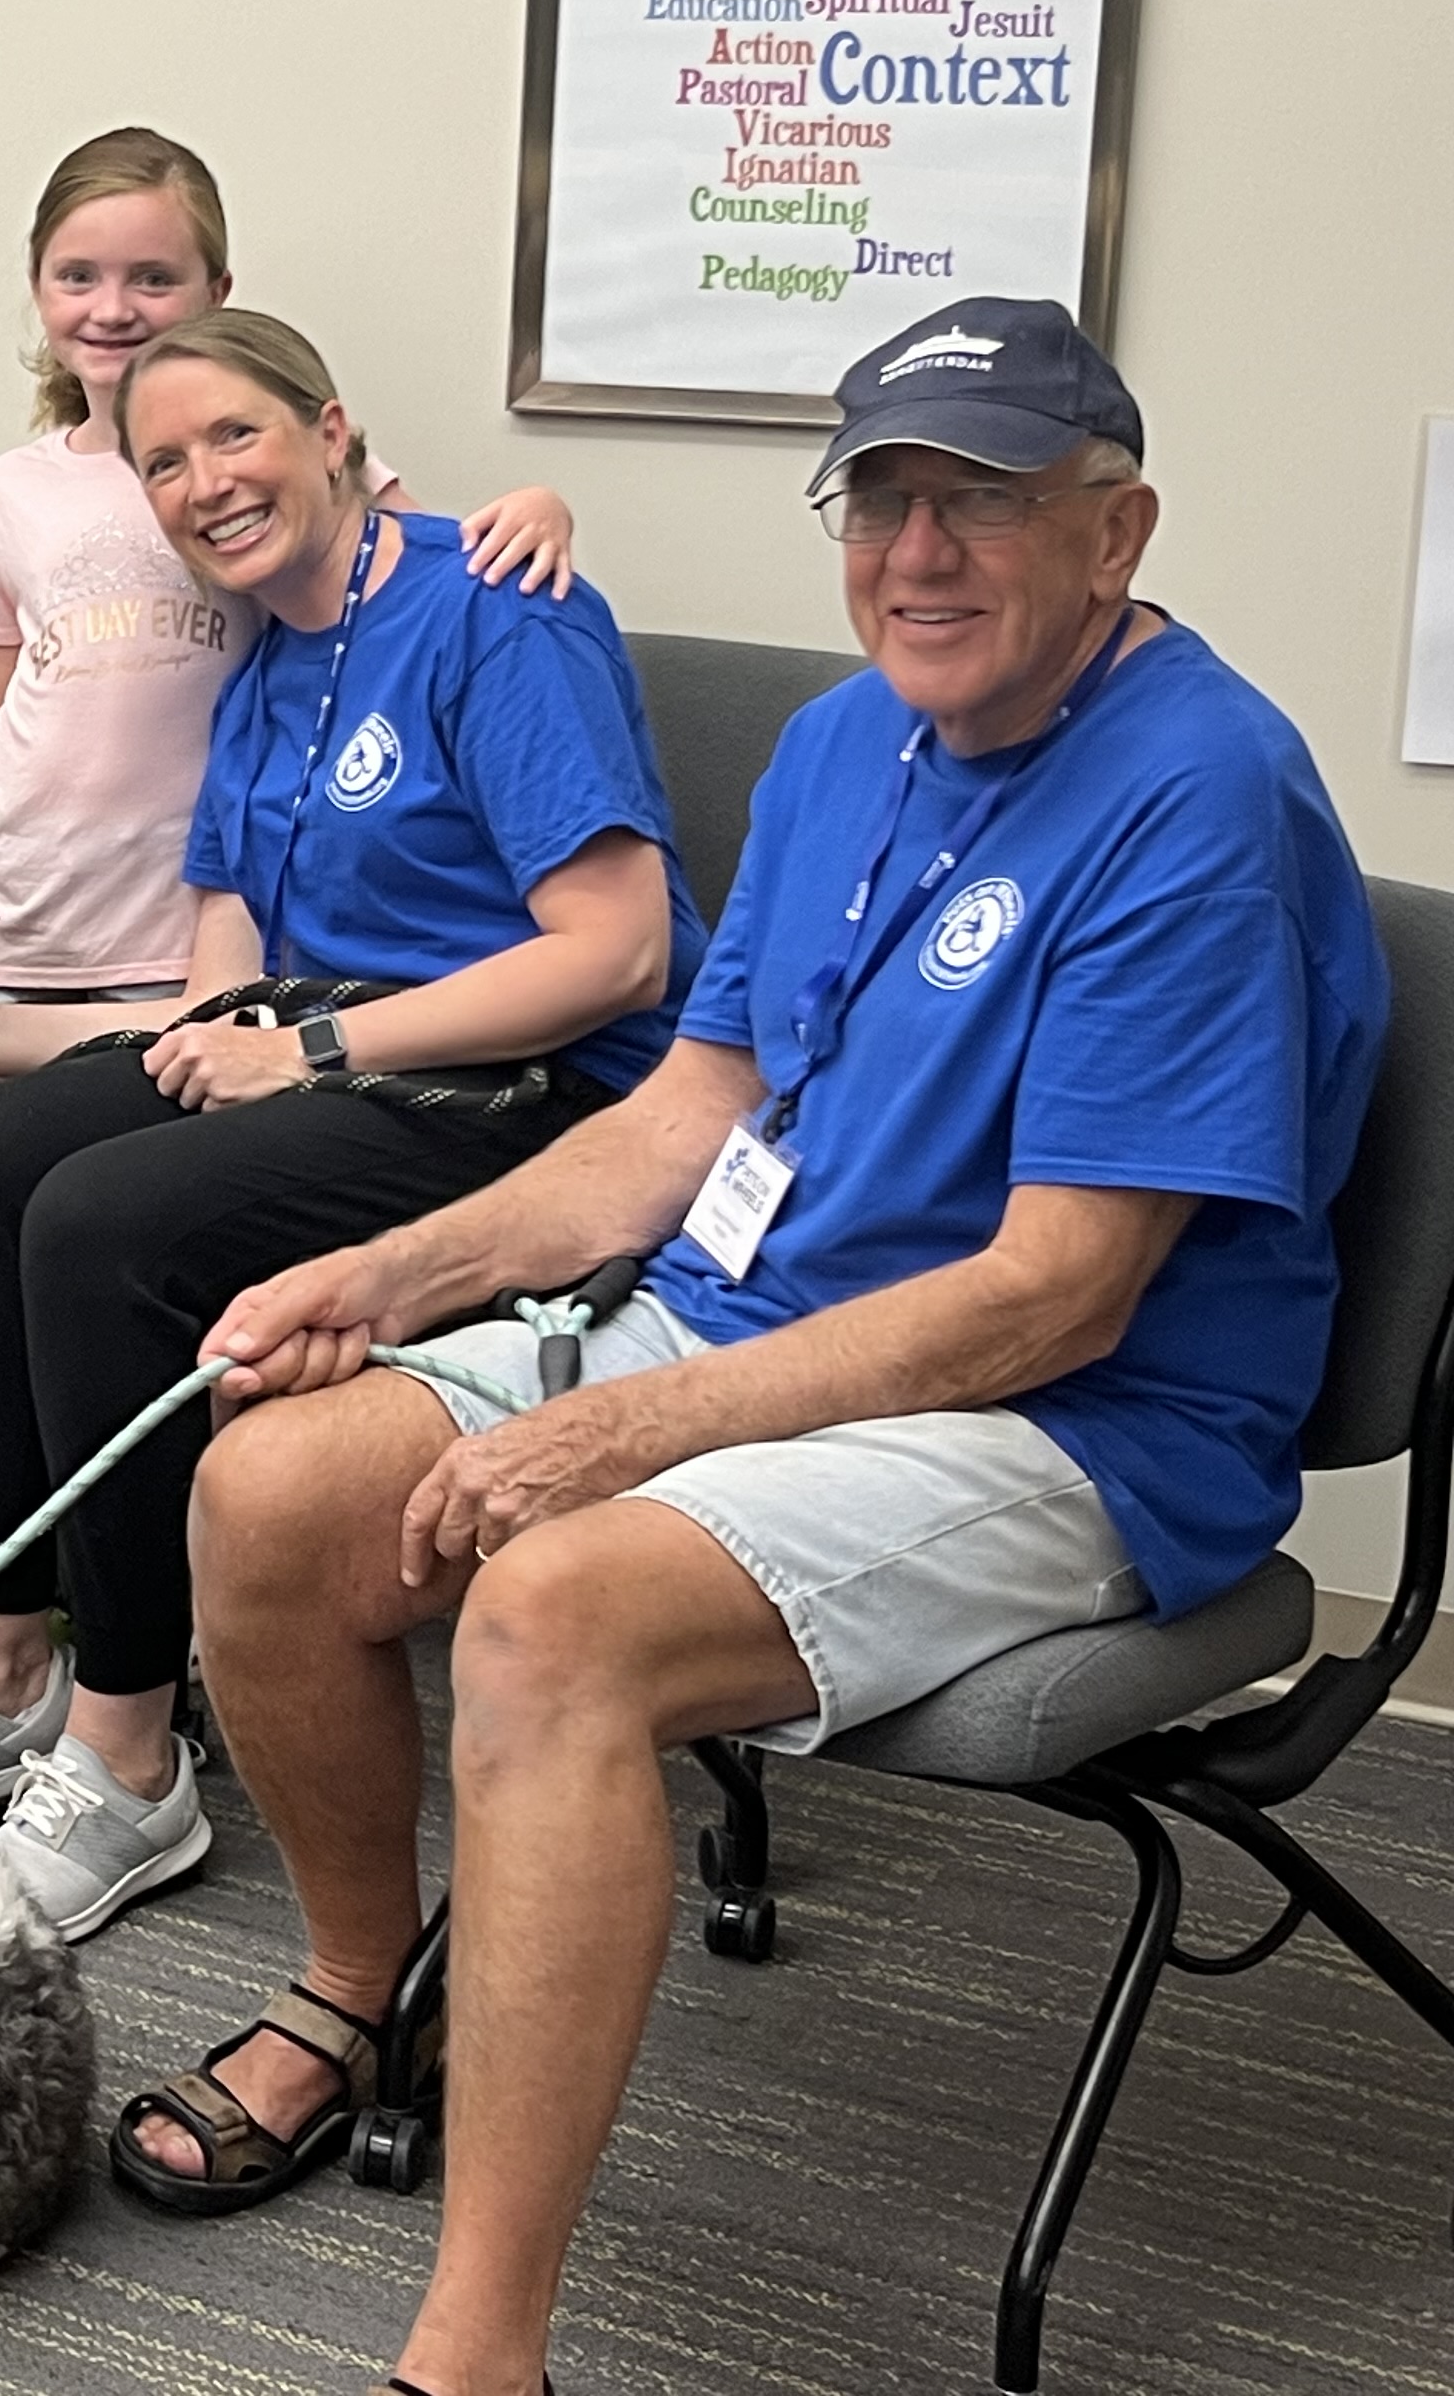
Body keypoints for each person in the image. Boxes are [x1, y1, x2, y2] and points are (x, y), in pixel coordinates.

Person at [130, 301, 1383, 2396]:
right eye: (883, 500)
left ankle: (476, 2349)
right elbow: (688, 1121)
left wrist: (616, 1438)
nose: (920, 553)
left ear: (1118, 528)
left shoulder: (1201, 796)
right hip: (755, 1319)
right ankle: (365, 1989)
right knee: (266, 1489)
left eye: (983, 503)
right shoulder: (841, 743)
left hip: (1076, 1422)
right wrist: (403, 1275)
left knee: (553, 1615)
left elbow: (1052, 1295)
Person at [0, 307, 703, 1943]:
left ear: (331, 431)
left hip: (543, 1105)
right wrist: (68, 1042)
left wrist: (302, 1047)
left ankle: (127, 1745)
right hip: (347, 1064)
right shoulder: (262, 660)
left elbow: (615, 951)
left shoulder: (498, 611)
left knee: (105, 1229)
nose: (200, 482)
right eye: (163, 461)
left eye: (231, 436)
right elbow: (222, 980)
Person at [0, 127, 577, 1075]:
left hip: (180, 917)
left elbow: (417, 584)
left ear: (217, 293)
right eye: (77, 277)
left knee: (135, 1126)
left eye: (153, 277)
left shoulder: (268, 464)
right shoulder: (9, 487)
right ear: (36, 285)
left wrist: (540, 508)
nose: (113, 309)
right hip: (25, 907)